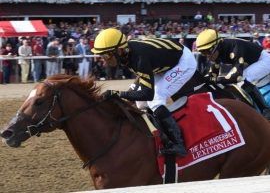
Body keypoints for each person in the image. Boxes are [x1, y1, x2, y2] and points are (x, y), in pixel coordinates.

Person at [91, 28, 198, 156]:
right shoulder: (127, 54)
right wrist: (128, 92)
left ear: (118, 50)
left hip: (183, 62)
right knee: (141, 104)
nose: (104, 59)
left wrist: (118, 93)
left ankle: (178, 144)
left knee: (156, 98)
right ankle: (163, 135)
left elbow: (148, 93)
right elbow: (141, 77)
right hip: (166, 63)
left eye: (106, 55)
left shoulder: (138, 57)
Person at [196, 29, 270, 119]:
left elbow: (236, 77)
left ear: (217, 45)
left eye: (208, 51)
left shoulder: (235, 48)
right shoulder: (218, 50)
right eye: (203, 53)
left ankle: (265, 110)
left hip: (263, 60)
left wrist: (215, 79)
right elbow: (213, 75)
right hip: (251, 63)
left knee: (244, 79)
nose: (207, 56)